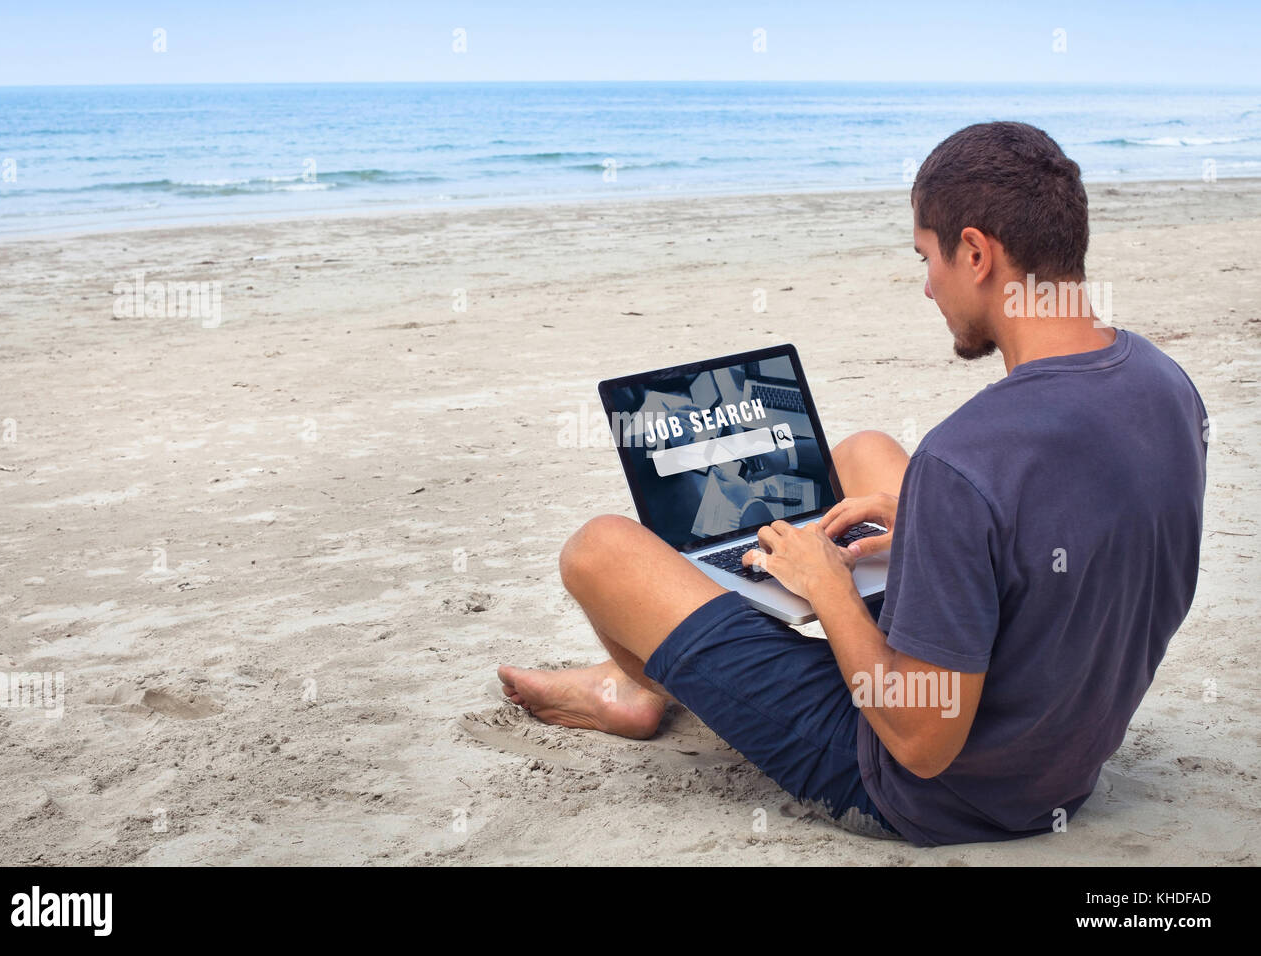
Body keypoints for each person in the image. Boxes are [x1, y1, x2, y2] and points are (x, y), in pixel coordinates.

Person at [497, 121, 1209, 845]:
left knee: (601, 548)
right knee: (865, 451)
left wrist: (828, 586)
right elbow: (1087, 524)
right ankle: (648, 674)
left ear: (975, 252)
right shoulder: (1165, 386)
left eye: (927, 257)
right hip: (1058, 753)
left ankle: (636, 689)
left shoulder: (965, 458)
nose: (927, 286)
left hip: (926, 782)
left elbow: (922, 742)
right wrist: (945, 533)